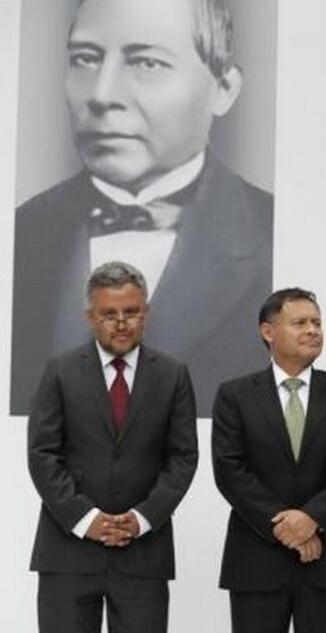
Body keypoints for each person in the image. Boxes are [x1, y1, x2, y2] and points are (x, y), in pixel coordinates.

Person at [12, 0, 272, 417]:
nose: (102, 94)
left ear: (224, 89)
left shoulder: (278, 237)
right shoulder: (20, 234)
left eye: (146, 63)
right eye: (86, 59)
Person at [27, 260, 198, 633]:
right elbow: (43, 454)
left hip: (143, 555)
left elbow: (183, 459)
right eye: (109, 314)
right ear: (90, 317)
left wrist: (142, 518)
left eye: (131, 312)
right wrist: (87, 520)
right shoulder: (60, 370)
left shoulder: (172, 374)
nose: (121, 322)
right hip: (67, 553)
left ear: (146, 313)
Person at [211, 288, 326, 633]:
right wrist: (288, 529)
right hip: (256, 561)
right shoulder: (234, 395)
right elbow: (230, 471)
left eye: (317, 322)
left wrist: (312, 518)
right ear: (268, 331)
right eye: (300, 322)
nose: (313, 330)